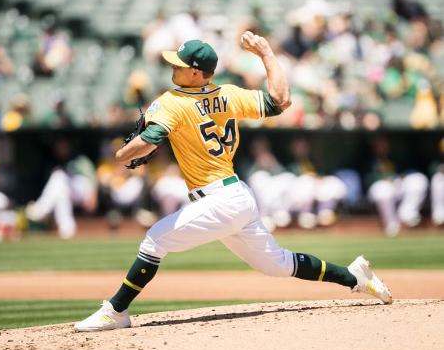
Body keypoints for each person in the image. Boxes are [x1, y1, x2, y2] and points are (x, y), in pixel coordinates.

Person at [74, 33, 392, 332]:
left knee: (155, 240)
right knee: (278, 265)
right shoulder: (229, 94)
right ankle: (354, 277)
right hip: (235, 195)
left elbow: (147, 142)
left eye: (181, 64)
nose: (173, 66)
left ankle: (115, 311)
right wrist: (267, 53)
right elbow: (281, 100)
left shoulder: (171, 102)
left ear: (197, 73)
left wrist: (120, 154)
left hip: (220, 200)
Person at [26, 139, 97, 239]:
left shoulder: (80, 159)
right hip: (68, 190)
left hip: (83, 189)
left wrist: (92, 195)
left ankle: (41, 209)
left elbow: (91, 177)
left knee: (59, 177)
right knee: (61, 192)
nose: (62, 150)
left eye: (64, 147)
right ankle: (67, 227)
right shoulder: (55, 161)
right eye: (59, 148)